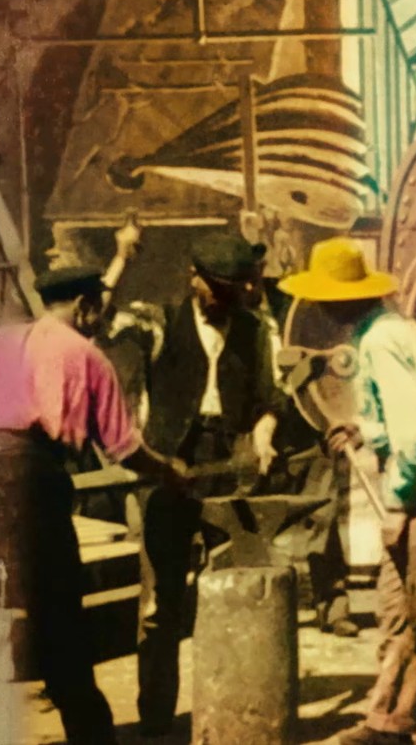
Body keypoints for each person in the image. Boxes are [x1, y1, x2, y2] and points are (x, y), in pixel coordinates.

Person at [0, 266, 187, 745]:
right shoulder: (85, 354)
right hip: (27, 477)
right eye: (99, 309)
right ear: (85, 306)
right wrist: (169, 470)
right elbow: (125, 449)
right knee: (59, 620)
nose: (102, 319)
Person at [280, 238, 416, 745]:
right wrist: (364, 428)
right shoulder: (391, 329)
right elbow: (406, 410)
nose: (320, 309)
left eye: (324, 299)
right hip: (412, 469)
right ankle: (390, 719)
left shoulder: (381, 342)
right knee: (397, 604)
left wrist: (399, 503)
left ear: (342, 300)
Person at [136, 231, 284, 736]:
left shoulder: (253, 330)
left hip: (228, 465)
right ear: (193, 278)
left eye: (232, 290)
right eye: (216, 288)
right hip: (170, 466)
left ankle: (229, 711)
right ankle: (156, 720)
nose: (223, 298)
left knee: (232, 592)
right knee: (160, 603)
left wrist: (263, 433)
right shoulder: (161, 324)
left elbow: (269, 398)